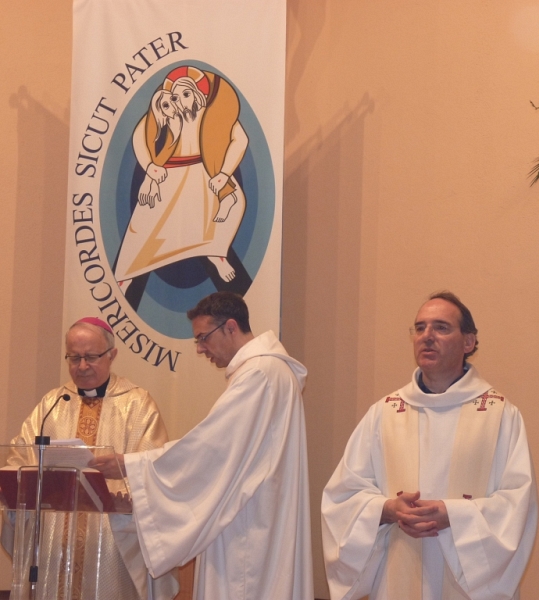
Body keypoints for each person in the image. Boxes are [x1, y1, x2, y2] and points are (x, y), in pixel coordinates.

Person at [93, 292, 314, 600]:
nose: (200, 349)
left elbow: (211, 449)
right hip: (255, 515)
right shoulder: (268, 372)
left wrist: (131, 465)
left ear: (231, 327)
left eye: (203, 338)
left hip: (248, 529)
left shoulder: (259, 375)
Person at [321, 292, 538, 600]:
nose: (427, 337)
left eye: (441, 327)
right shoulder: (385, 413)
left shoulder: (500, 415)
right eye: (420, 328)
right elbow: (343, 497)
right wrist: (386, 509)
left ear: (469, 342)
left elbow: (518, 505)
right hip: (397, 575)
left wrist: (454, 515)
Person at [2, 317, 177, 600]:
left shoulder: (137, 405)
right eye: (74, 357)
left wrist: (127, 498)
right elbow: (19, 458)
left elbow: (153, 467)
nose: (82, 366)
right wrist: (14, 488)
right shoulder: (52, 405)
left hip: (110, 545)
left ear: (112, 355)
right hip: (54, 548)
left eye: (91, 357)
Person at [114, 65, 247, 290]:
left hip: (205, 172)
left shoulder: (215, 115)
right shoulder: (167, 114)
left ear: (197, 94)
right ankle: (125, 276)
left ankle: (217, 254)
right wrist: (149, 167)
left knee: (229, 206)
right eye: (176, 96)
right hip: (170, 176)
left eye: (186, 94)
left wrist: (224, 174)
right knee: (142, 225)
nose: (181, 101)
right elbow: (139, 136)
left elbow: (240, 140)